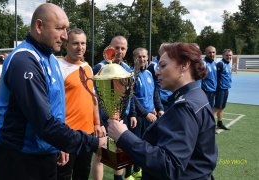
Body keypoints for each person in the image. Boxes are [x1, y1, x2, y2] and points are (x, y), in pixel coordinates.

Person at [0, 3, 106, 180]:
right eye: (60, 28)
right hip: (21, 157)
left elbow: (55, 108)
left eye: (66, 29)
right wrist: (91, 142)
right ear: (39, 26)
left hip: (45, 151)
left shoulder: (50, 58)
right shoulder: (24, 61)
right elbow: (44, 123)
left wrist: (57, 145)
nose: (65, 35)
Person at [107, 43, 218, 179]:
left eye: (163, 65)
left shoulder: (185, 107)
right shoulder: (196, 95)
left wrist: (123, 136)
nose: (157, 71)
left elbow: (169, 166)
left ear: (184, 65)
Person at [57, 28, 105, 180]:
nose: (80, 47)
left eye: (83, 43)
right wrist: (57, 139)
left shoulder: (87, 67)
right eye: (75, 43)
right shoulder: (58, 68)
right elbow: (52, 104)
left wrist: (97, 123)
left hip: (88, 134)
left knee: (82, 174)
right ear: (66, 45)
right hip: (67, 134)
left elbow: (93, 97)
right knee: (63, 176)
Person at [93, 35, 135, 180]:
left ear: (126, 50)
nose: (119, 51)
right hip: (104, 119)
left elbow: (130, 94)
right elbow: (93, 97)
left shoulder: (127, 69)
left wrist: (132, 113)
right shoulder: (100, 67)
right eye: (116, 47)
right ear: (109, 48)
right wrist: (97, 122)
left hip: (121, 118)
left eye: (123, 48)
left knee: (121, 151)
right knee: (100, 153)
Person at [125, 48, 164, 179]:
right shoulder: (131, 74)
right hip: (138, 117)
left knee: (146, 145)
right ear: (134, 58)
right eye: (139, 57)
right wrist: (144, 114)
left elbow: (154, 93)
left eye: (144, 56)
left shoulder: (148, 73)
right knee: (134, 145)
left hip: (151, 116)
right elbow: (132, 97)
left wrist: (159, 108)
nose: (142, 59)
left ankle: (137, 170)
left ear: (148, 58)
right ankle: (128, 173)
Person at [147, 43, 172, 110]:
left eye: (168, 51)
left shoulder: (172, 64)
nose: (166, 53)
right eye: (164, 51)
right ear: (159, 52)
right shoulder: (152, 66)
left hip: (171, 100)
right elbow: (150, 87)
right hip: (160, 103)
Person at [214, 49, 233, 130]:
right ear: (223, 55)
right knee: (216, 108)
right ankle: (208, 126)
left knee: (221, 107)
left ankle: (219, 123)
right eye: (227, 55)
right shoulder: (220, 64)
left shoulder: (228, 64)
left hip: (226, 89)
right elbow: (215, 76)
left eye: (230, 55)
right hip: (220, 89)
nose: (229, 56)